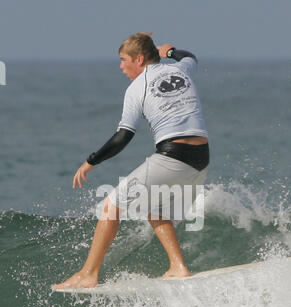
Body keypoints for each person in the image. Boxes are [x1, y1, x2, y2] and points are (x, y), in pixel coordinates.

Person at [53, 32, 209, 290]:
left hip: (173, 156)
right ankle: (178, 266)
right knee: (155, 207)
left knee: (111, 205)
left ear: (138, 59)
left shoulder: (137, 87)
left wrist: (90, 161)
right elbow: (190, 56)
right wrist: (168, 52)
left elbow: (123, 136)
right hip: (201, 159)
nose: (121, 66)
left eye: (124, 60)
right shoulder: (181, 70)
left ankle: (88, 274)